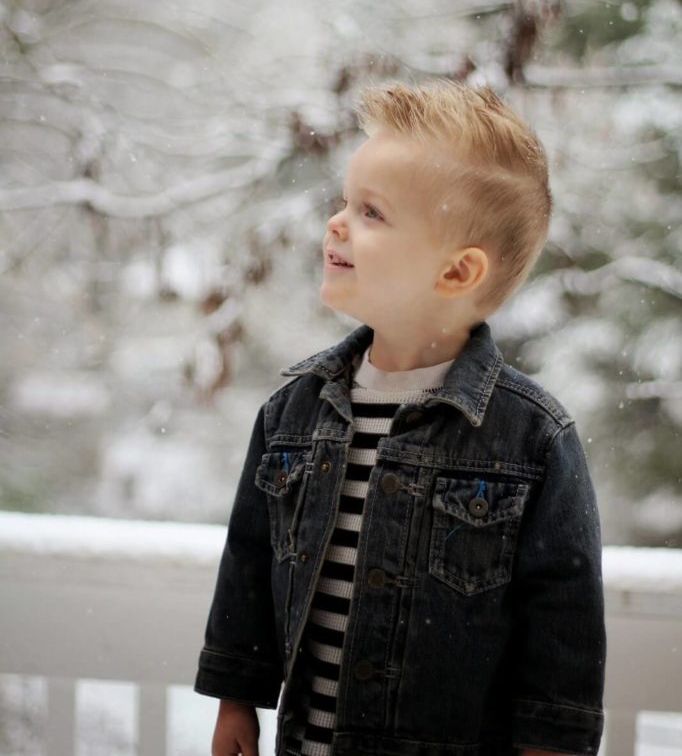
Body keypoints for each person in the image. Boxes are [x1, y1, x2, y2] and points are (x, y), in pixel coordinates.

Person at [194, 79, 606, 756]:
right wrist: (235, 699)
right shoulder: (292, 412)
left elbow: (563, 621)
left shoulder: (530, 438)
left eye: (371, 213)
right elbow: (250, 560)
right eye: (343, 202)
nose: (336, 222)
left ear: (456, 272)